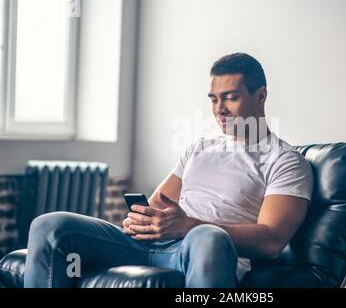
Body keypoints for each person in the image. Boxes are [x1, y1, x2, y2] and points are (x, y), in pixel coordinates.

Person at [24, 53, 313, 288]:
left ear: (260, 96)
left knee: (208, 236)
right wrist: (139, 220)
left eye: (230, 97)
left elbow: (271, 241)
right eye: (213, 99)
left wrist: (190, 226)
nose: (219, 109)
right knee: (50, 226)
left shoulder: (285, 161)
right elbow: (154, 207)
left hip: (197, 251)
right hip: (150, 246)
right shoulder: (199, 149)